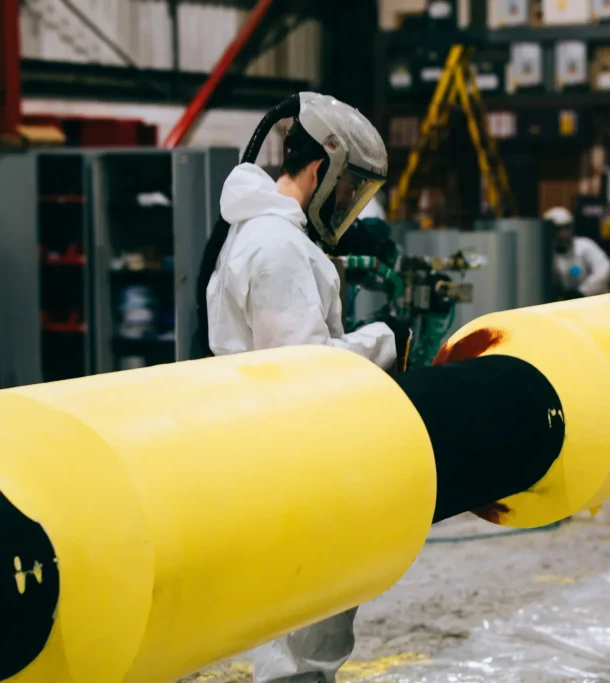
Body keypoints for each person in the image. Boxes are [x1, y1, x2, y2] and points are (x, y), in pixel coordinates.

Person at [202, 93, 409, 683]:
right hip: (288, 455)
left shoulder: (267, 236)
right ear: (321, 170)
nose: (347, 208)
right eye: (348, 191)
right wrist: (384, 338)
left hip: (278, 450)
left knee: (301, 618)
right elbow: (304, 369)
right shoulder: (277, 247)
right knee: (304, 626)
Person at [544, 206, 610, 299]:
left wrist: (583, 291)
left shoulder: (585, 246)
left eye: (566, 228)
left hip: (595, 300)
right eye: (559, 229)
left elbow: (604, 269)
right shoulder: (547, 254)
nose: (563, 233)